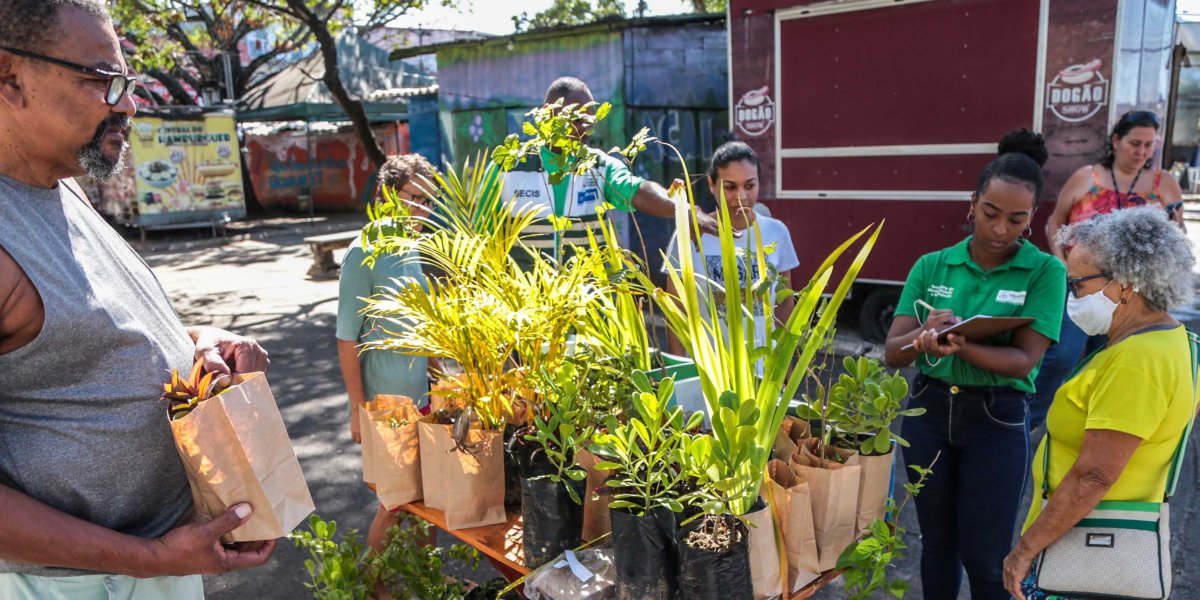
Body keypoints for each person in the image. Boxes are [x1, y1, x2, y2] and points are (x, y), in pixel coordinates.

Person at [0, 1, 274, 597]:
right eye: (103, 80)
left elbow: (99, 332)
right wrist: (149, 557)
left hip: (153, 567)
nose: (127, 103)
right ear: (10, 79)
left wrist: (201, 342)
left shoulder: (62, 188)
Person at [883, 130, 1066, 600]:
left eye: (1017, 219)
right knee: (937, 545)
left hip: (997, 419)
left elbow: (1025, 359)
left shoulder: (1046, 272)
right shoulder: (932, 265)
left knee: (987, 557)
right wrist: (924, 340)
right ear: (972, 204)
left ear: (1033, 217)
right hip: (928, 413)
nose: (1001, 229)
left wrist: (958, 343)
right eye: (990, 213)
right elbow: (892, 351)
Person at [1003, 207, 1196, 599]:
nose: (1071, 296)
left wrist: (1024, 551)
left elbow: (1095, 476)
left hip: (1085, 553)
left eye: (1077, 285)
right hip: (1093, 543)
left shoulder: (1138, 360)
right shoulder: (1178, 344)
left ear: (1125, 285)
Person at [1029, 110, 1184, 430]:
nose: (1142, 151)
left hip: (1131, 296)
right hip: (1082, 284)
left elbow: (1176, 238)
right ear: (1116, 140)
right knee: (1062, 355)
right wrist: (1060, 261)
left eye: (1148, 145)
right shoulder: (1087, 177)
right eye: (1134, 143)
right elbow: (1055, 221)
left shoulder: (1164, 185)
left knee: (1110, 359)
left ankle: (1090, 424)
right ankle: (1027, 420)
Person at [337, 153, 441, 555]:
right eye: (415, 198)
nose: (422, 209)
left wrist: (439, 374)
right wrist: (356, 407)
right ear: (388, 196)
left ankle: (430, 579)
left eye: (429, 202)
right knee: (394, 503)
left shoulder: (412, 245)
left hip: (422, 397)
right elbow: (346, 337)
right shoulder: (364, 250)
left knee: (429, 501)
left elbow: (418, 323)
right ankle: (375, 588)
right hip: (386, 405)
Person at [500, 76, 721, 257]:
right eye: (577, 120)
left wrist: (682, 210)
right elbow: (482, 241)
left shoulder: (598, 166)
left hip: (588, 305)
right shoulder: (507, 169)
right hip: (527, 307)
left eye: (590, 121)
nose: (586, 129)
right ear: (549, 113)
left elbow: (638, 191)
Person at [663, 141, 798, 357]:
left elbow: (784, 304)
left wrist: (785, 367)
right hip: (708, 373)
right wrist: (680, 369)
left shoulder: (777, 233)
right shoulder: (689, 235)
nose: (741, 196)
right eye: (730, 187)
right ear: (712, 184)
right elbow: (677, 310)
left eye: (750, 186)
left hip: (764, 373)